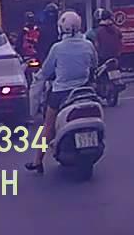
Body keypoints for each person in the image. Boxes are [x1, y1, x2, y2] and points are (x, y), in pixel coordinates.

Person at [26, 10, 97, 174]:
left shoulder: (57, 48)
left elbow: (45, 72)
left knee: (48, 126)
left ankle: (38, 161)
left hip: (61, 93)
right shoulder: (88, 45)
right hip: (85, 91)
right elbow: (94, 63)